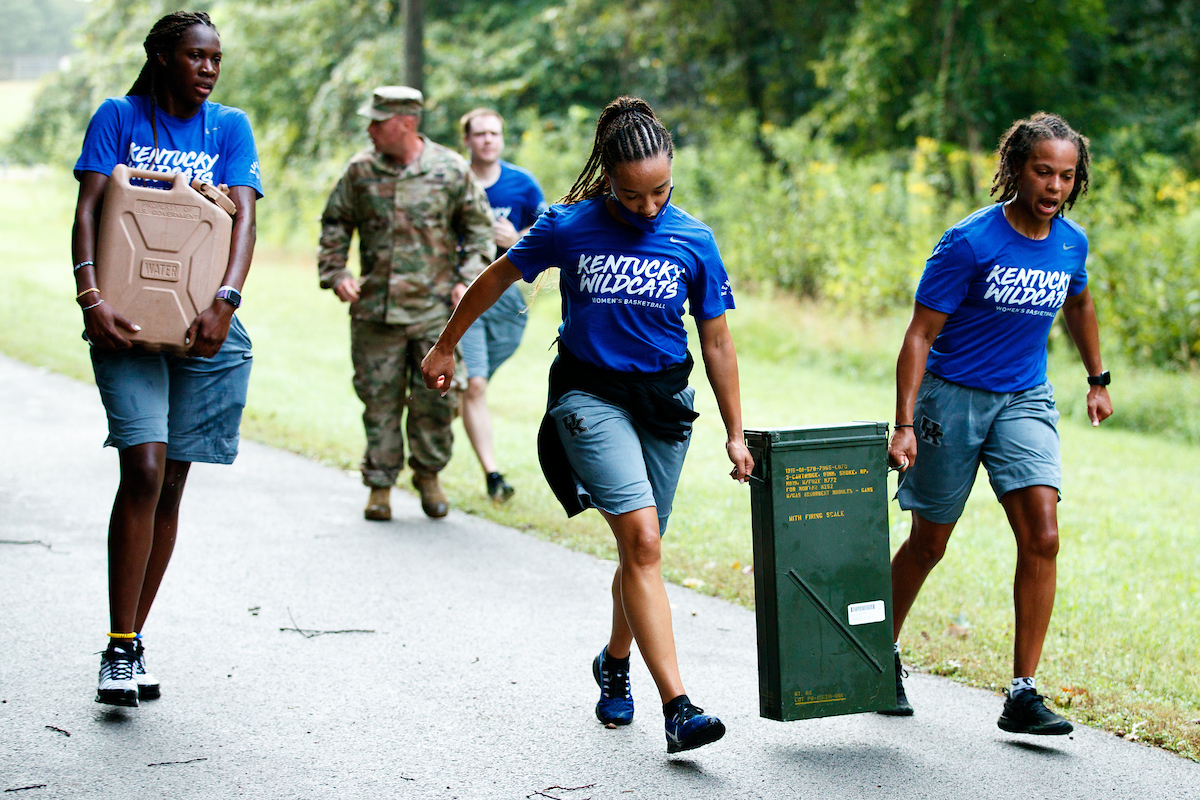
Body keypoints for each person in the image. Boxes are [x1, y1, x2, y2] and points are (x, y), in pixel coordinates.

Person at [422, 97, 754, 754]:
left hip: (663, 404)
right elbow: (492, 281)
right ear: (608, 178)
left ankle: (615, 661)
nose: (650, 207)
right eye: (633, 197)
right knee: (643, 540)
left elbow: (717, 343)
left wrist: (735, 432)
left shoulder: (694, 239)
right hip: (587, 396)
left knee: (641, 550)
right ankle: (679, 707)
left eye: (661, 190)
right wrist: (445, 343)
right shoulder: (568, 227)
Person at [883, 112, 1112, 735]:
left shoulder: (1072, 243)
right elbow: (920, 334)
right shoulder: (969, 242)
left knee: (1043, 534)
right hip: (950, 400)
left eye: (1066, 175)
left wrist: (1097, 378)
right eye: (1044, 171)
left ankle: (1023, 691)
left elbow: (1080, 301)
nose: (1055, 186)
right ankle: (877, 653)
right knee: (929, 543)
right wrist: (904, 423)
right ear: (1015, 169)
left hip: (1024, 399)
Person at [71, 11, 263, 707]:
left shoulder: (229, 129)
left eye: (215, 58)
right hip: (122, 324)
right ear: (161, 58)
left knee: (174, 482)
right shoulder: (118, 116)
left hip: (201, 330)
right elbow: (90, 208)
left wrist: (227, 302)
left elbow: (244, 219)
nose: (208, 69)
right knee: (144, 467)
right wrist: (91, 298)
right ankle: (118, 649)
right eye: (194, 57)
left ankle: (133, 642)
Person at [318, 87, 494, 521]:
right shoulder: (359, 171)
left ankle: (429, 476)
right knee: (379, 400)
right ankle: (379, 485)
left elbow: (479, 231)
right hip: (375, 312)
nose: (370, 129)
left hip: (436, 314)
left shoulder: (450, 171)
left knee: (437, 400)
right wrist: (337, 273)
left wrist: (466, 281)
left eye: (378, 121)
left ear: (406, 124)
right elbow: (335, 223)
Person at [458, 108, 548, 502]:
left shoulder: (521, 184)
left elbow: (547, 233)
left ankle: (457, 393)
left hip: (508, 295)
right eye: (480, 134)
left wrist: (518, 237)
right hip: (462, 291)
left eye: (494, 133)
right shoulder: (453, 180)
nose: (488, 140)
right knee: (475, 383)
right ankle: (494, 476)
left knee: (476, 379)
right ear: (468, 140)